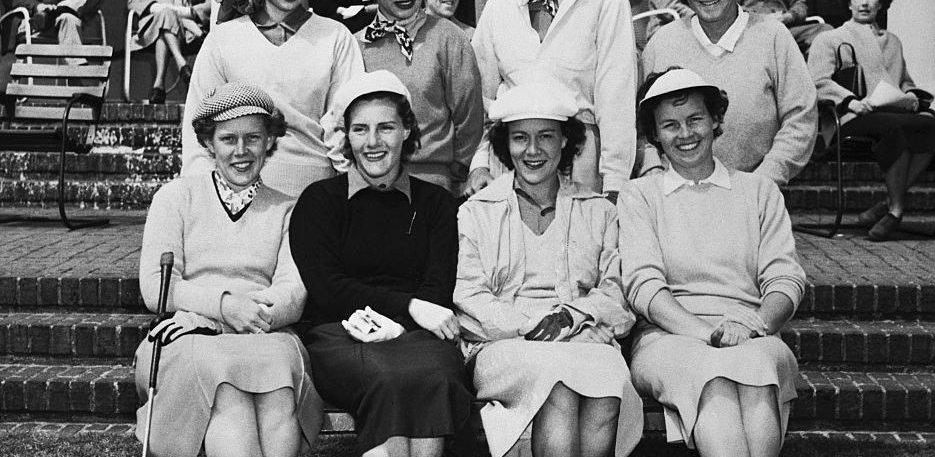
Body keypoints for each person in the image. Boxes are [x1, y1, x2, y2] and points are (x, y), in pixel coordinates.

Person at [619, 68, 806, 457]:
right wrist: (709, 335)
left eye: (695, 119)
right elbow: (643, 286)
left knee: (756, 373)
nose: (685, 134)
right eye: (669, 125)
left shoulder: (759, 191)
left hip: (753, 332)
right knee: (714, 379)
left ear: (716, 120)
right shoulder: (640, 196)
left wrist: (755, 326)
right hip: (668, 338)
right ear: (654, 135)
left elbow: (785, 278)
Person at [290, 70, 473, 457]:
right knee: (387, 377)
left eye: (385, 127)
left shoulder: (436, 204)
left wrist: (404, 320)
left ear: (407, 130)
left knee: (435, 376)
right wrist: (405, 306)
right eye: (360, 130)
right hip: (339, 332)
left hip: (418, 335)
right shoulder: (320, 202)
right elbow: (327, 287)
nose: (372, 142)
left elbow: (437, 288)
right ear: (346, 137)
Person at [454, 81, 642, 457]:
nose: (533, 150)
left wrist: (572, 318)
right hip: (503, 345)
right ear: (506, 145)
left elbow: (617, 290)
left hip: (582, 336)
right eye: (521, 138)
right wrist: (541, 326)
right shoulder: (477, 212)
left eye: (546, 137)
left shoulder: (598, 211)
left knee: (607, 383)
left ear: (564, 142)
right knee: (559, 383)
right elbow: (469, 297)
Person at [135, 82, 322, 457]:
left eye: (253, 137)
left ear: (270, 141)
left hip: (264, 330)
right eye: (228, 139)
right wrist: (222, 307)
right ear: (209, 143)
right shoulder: (175, 198)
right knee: (228, 390)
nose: (241, 151)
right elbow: (158, 284)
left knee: (280, 386)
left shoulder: (289, 209)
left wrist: (231, 315)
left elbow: (292, 292)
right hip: (188, 335)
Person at [470, 0, 638, 201]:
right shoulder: (500, 4)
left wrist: (615, 182)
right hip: (509, 160)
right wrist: (479, 164)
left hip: (581, 161)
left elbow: (616, 99)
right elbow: (482, 96)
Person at [181, 0, 365, 199]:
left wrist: (346, 200)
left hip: (316, 196)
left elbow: (347, 128)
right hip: (238, 194)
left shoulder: (336, 37)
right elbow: (198, 130)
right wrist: (205, 200)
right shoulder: (224, 39)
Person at [642, 0, 817, 186]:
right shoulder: (662, 43)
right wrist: (653, 171)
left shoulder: (773, 36)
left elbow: (801, 118)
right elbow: (639, 126)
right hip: (674, 199)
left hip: (755, 196)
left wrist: (764, 182)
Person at [808, 0, 935, 241]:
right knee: (898, 129)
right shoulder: (831, 39)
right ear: (848, 2)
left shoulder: (893, 41)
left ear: (880, 3)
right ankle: (896, 210)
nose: (864, 2)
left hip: (891, 113)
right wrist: (850, 101)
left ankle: (887, 202)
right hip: (849, 116)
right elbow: (816, 81)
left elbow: (904, 81)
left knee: (933, 127)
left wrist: (913, 96)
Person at [355, 0, 484, 194]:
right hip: (368, 185)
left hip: (433, 186)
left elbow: (469, 120)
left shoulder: (448, 37)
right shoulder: (356, 45)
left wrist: (453, 177)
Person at [128, 0, 212, 104]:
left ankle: (158, 85)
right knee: (164, 17)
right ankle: (182, 65)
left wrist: (187, 12)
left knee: (164, 26)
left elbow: (212, 4)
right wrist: (154, 7)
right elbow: (133, 1)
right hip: (152, 31)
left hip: (188, 33)